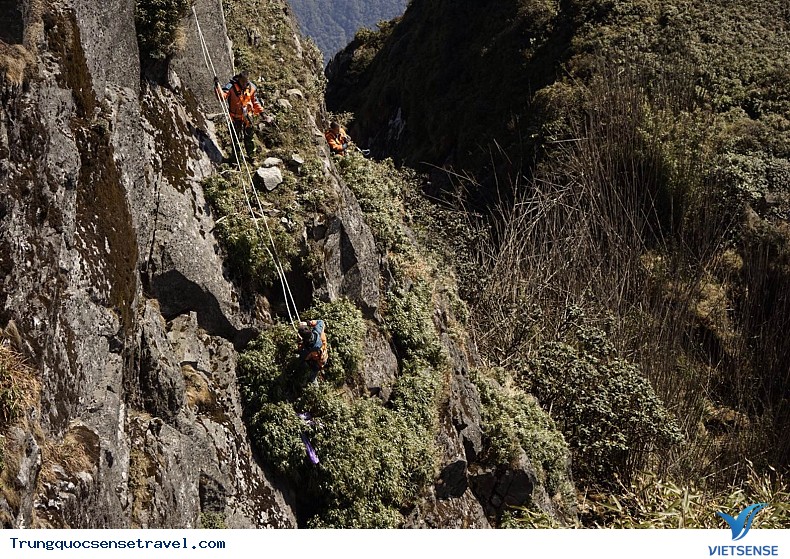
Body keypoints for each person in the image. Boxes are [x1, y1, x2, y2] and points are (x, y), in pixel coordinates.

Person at [215, 71, 267, 158]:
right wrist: (217, 86)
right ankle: (236, 160)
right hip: (235, 118)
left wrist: (263, 114)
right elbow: (222, 97)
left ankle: (252, 156)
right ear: (239, 79)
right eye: (243, 81)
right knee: (236, 139)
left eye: (246, 82)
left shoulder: (252, 87)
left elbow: (255, 101)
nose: (244, 84)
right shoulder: (231, 87)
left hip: (248, 117)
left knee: (249, 137)